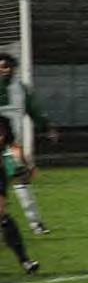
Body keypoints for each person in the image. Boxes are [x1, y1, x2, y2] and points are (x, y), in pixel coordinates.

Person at [0, 53, 58, 235]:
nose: (3, 70)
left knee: (22, 179)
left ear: (14, 69)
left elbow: (34, 109)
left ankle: (36, 223)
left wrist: (47, 127)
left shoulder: (20, 89)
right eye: (1, 66)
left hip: (10, 145)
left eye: (7, 66)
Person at [0, 115, 40, 273]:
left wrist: (27, 165)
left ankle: (25, 261)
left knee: (2, 214)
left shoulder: (4, 124)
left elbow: (14, 148)